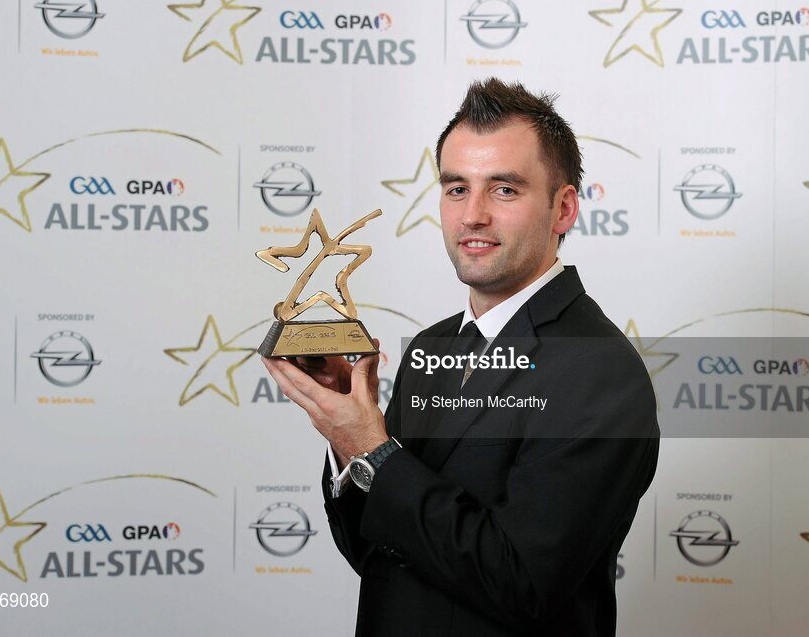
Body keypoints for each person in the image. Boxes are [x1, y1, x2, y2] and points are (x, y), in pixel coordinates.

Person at [262, 78, 659, 636]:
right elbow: (379, 552)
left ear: (563, 209)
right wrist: (345, 437)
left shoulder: (598, 371)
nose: (472, 215)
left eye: (504, 189)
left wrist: (371, 451)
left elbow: (521, 582)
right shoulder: (432, 348)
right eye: (456, 188)